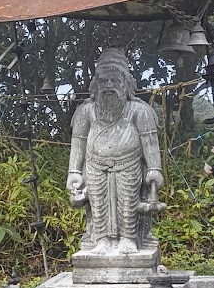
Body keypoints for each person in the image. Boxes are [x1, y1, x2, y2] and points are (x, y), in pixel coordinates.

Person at [66, 48, 163, 252]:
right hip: (95, 166)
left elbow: (150, 143)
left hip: (129, 165)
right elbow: (78, 142)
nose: (109, 85)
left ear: (126, 84)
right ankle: (101, 240)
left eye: (115, 81)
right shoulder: (86, 111)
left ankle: (129, 238)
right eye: (104, 81)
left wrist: (154, 168)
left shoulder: (139, 111)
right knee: (98, 204)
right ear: (95, 85)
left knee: (129, 202)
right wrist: (74, 172)